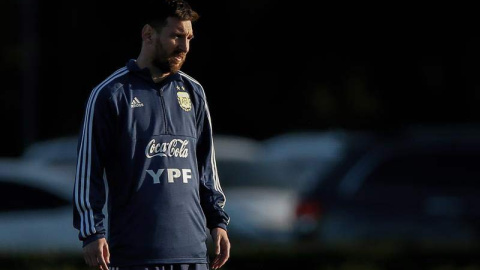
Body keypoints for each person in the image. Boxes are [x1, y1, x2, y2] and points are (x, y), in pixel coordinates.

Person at [72, 1, 230, 269]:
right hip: (135, 256)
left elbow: (206, 168)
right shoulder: (111, 93)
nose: (185, 47)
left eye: (189, 38)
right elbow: (89, 170)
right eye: (176, 36)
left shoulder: (194, 92)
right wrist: (92, 233)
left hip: (192, 255)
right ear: (148, 34)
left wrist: (218, 221)